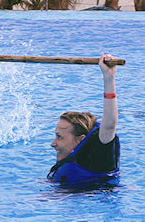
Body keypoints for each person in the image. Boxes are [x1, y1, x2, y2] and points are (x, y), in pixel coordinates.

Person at [48, 52, 120, 186]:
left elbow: (110, 123)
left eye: (60, 137)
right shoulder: (73, 159)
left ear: (80, 139)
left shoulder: (98, 160)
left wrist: (109, 78)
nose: (53, 143)